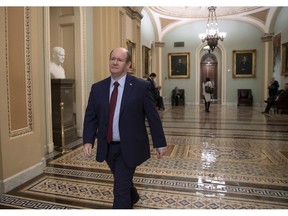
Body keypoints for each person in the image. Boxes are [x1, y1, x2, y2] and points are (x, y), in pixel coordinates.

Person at [82, 47, 167, 209]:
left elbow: (152, 117)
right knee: (122, 180)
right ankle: (132, 195)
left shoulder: (141, 87)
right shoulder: (97, 88)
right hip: (107, 147)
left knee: (119, 190)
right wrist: (88, 140)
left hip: (130, 146)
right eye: (112, 58)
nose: (115, 62)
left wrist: (159, 142)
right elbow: (91, 117)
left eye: (120, 60)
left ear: (128, 64)